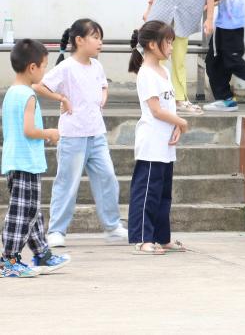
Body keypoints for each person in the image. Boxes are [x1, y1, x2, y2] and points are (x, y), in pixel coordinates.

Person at [31, 19, 127, 249]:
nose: (100, 42)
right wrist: (62, 98)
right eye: (95, 37)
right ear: (79, 40)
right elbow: (38, 86)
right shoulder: (66, 67)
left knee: (108, 178)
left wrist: (103, 96)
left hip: (97, 134)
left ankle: (113, 227)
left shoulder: (97, 66)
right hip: (73, 135)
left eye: (101, 38)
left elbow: (103, 86)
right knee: (67, 183)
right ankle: (56, 231)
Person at [2, 39, 69, 277]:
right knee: (22, 213)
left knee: (32, 212)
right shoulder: (28, 95)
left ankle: (42, 254)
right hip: (26, 162)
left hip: (17, 161)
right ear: (32, 67)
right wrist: (49, 133)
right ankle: (8, 260)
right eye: (44, 66)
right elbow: (29, 131)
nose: (44, 71)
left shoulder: (11, 93)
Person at [127, 20, 190, 256]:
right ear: (153, 45)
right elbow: (155, 110)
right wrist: (181, 122)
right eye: (168, 42)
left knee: (163, 194)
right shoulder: (146, 73)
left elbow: (168, 107)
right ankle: (142, 239)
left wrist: (176, 126)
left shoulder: (164, 72)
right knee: (147, 194)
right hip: (152, 143)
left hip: (165, 143)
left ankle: (162, 237)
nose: (172, 47)